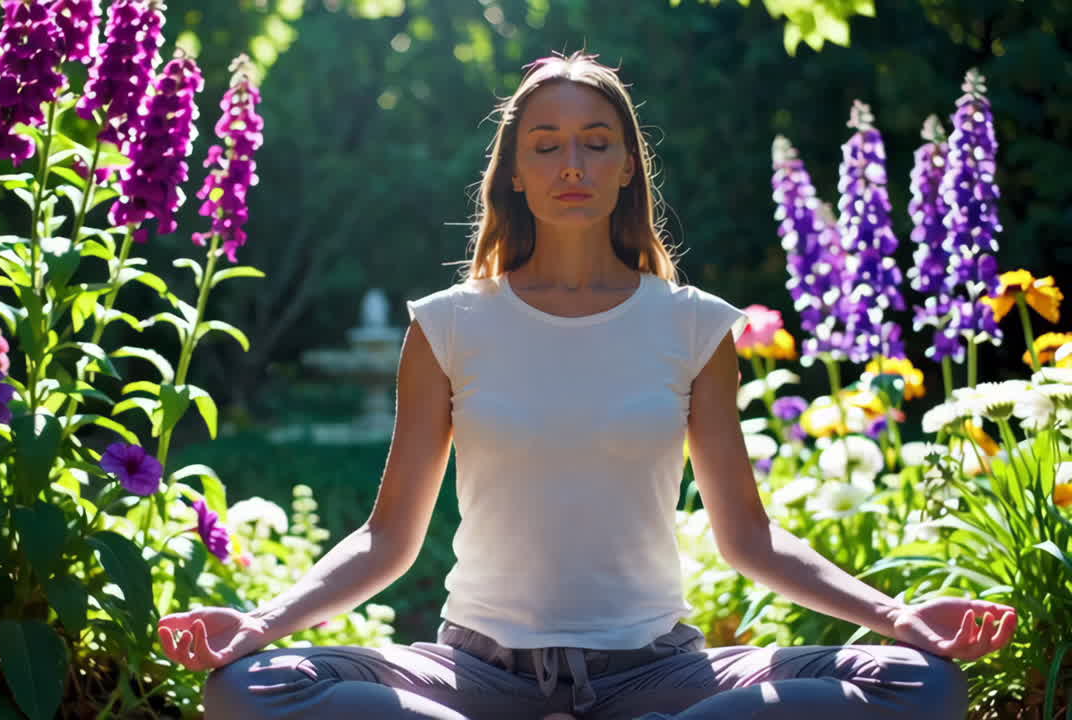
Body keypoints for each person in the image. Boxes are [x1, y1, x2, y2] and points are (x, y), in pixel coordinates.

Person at [157, 51, 1017, 720]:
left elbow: (748, 539)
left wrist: (898, 617)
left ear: (627, 169)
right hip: (472, 673)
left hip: (662, 674)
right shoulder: (448, 325)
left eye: (596, 142)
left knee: (923, 687)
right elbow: (388, 540)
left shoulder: (692, 325)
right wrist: (262, 623)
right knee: (250, 687)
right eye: (547, 145)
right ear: (515, 176)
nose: (572, 161)